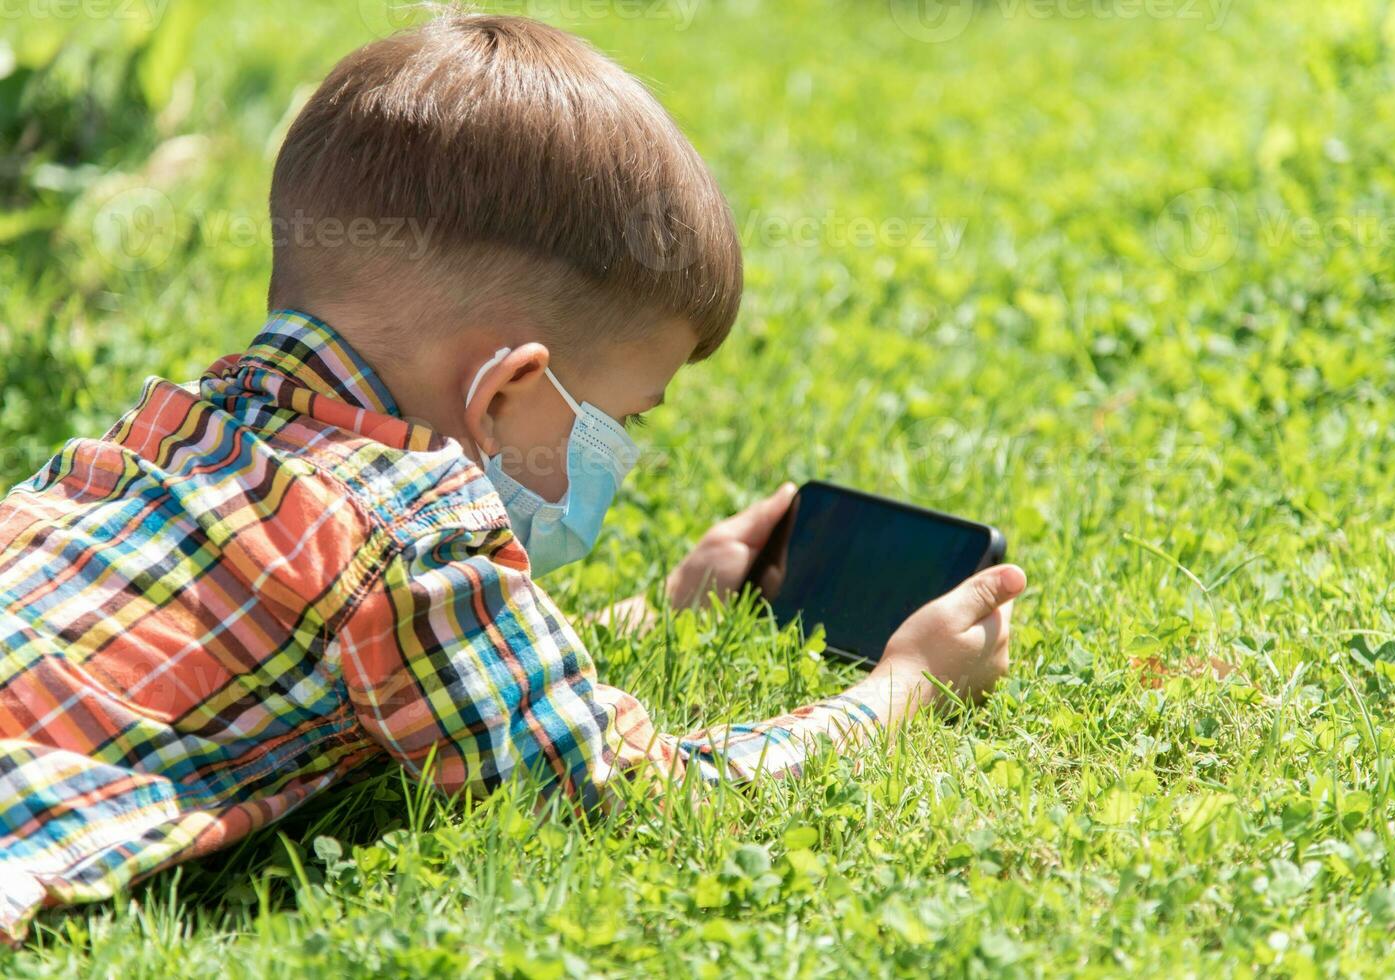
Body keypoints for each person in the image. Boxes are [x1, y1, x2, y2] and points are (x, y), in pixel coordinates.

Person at [0, 15, 1026, 940]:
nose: (617, 456)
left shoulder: (186, 430)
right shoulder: (412, 531)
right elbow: (623, 787)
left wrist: (657, 608)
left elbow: (419, 674)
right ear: (505, 391)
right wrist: (900, 687)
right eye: (617, 421)